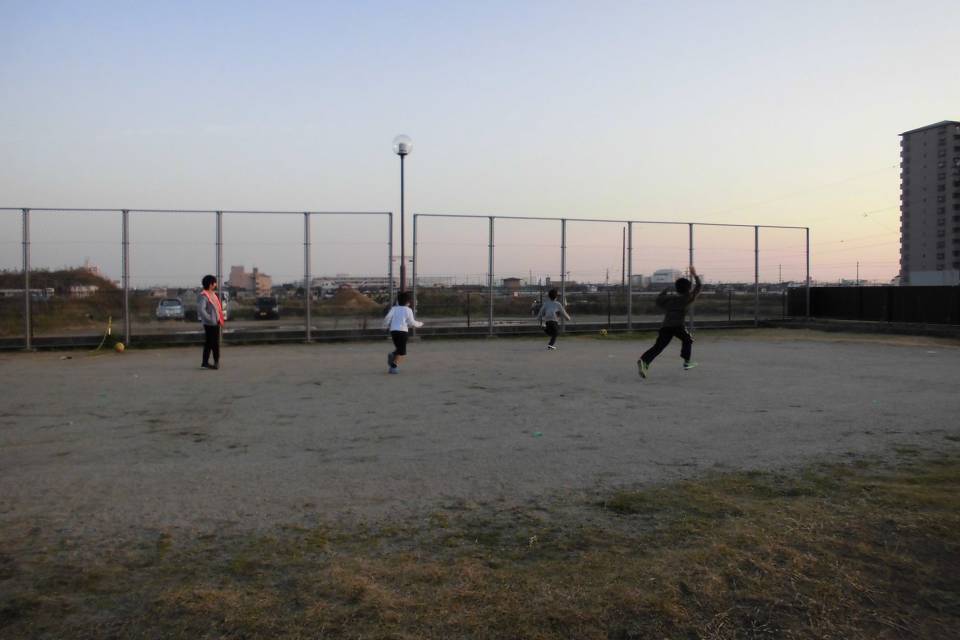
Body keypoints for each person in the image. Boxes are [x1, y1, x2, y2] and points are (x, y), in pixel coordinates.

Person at [638, 266, 702, 378]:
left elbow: (659, 299)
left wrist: (666, 289)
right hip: (678, 326)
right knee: (688, 339)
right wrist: (694, 274)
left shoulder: (669, 299)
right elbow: (699, 287)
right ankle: (687, 362)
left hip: (666, 326)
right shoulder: (687, 298)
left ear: (677, 288)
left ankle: (644, 361)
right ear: (688, 289)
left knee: (659, 346)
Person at [383, 291, 423, 374]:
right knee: (402, 353)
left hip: (393, 331)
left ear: (398, 301)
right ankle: (393, 367)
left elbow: (387, 318)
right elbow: (412, 322)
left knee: (399, 348)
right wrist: (420, 324)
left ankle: (393, 354)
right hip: (403, 332)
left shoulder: (394, 308)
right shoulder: (408, 310)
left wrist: (385, 326)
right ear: (408, 302)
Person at [198, 275, 225, 370]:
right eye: (214, 282)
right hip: (210, 324)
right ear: (210, 284)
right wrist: (210, 319)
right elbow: (201, 310)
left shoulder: (213, 294)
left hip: (215, 322)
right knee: (211, 343)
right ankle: (209, 362)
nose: (216, 284)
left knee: (212, 343)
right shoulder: (204, 295)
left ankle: (209, 362)